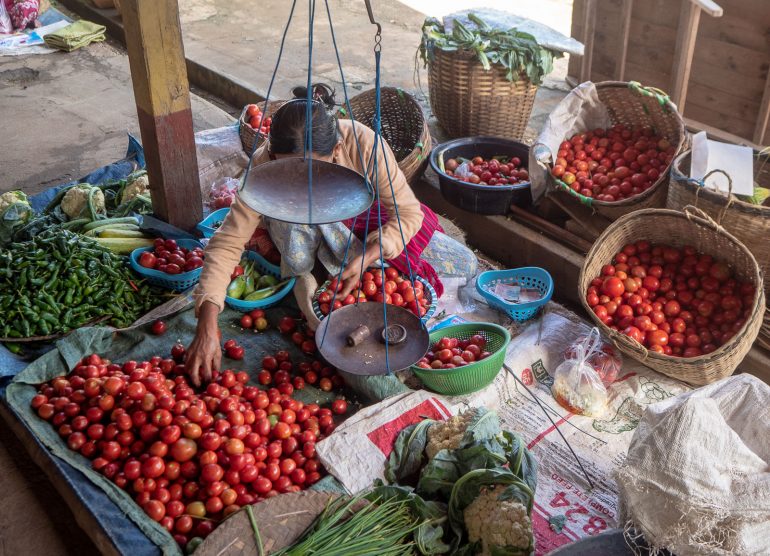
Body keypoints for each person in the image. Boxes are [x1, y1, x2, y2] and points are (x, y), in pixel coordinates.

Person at [186, 84, 477, 386]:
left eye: (316, 172)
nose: (305, 184)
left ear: (336, 150)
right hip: (297, 225)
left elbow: (408, 213)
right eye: (293, 173)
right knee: (294, 232)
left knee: (463, 263)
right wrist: (207, 324)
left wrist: (370, 254)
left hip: (359, 217)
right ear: (273, 155)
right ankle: (305, 276)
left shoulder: (364, 145)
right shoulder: (263, 168)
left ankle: (335, 267)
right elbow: (228, 242)